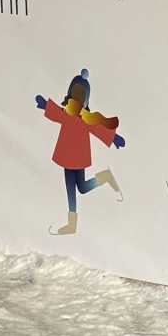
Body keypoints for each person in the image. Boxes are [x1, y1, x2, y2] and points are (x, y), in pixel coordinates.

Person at [36, 68, 125, 235]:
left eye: (81, 95)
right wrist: (45, 105)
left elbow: (99, 129)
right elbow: (56, 113)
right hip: (65, 157)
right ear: (70, 94)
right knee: (70, 188)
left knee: (82, 188)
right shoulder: (66, 113)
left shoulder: (86, 119)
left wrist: (113, 138)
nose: (77, 99)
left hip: (78, 159)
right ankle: (72, 224)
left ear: (85, 100)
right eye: (75, 94)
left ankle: (105, 177)